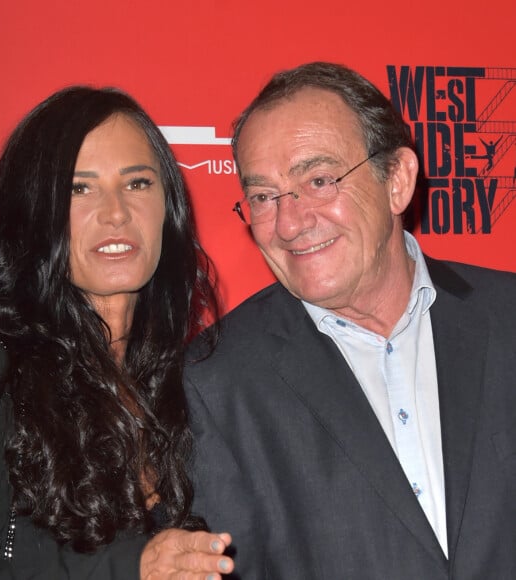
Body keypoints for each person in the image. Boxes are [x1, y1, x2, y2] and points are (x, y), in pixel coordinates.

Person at [184, 62, 516, 579]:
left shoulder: (508, 320)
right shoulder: (215, 382)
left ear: (398, 181)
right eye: (263, 197)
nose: (289, 223)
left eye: (319, 180)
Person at [0, 86, 235, 579]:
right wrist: (129, 569)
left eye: (138, 184)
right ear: (36, 214)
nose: (116, 212)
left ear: (169, 208)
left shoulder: (192, 385)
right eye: (79, 188)